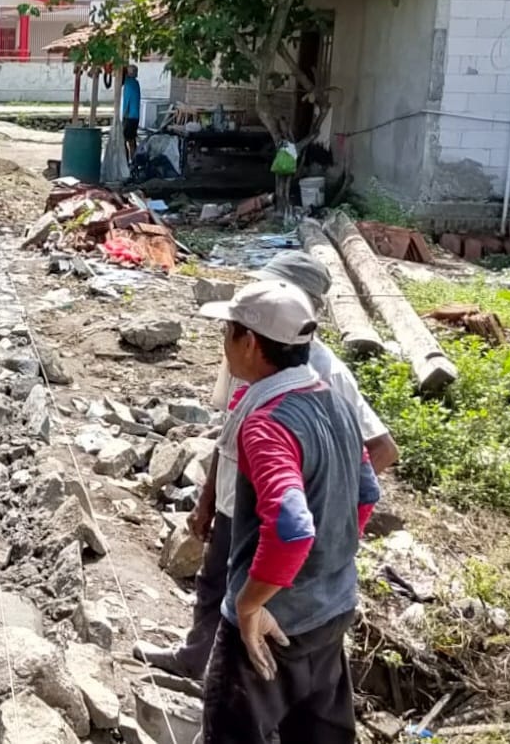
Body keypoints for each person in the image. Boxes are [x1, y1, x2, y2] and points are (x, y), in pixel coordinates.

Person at [135, 250, 398, 680]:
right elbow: (228, 435)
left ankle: (235, 689)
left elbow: (377, 452)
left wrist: (324, 528)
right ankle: (197, 661)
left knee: (251, 618)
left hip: (270, 528)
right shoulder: (256, 363)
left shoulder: (323, 375)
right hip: (237, 512)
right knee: (214, 589)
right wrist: (208, 501)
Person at [195, 280, 380, 743]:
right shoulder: (333, 401)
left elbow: (293, 528)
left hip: (274, 626)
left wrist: (252, 602)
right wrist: (324, 573)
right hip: (331, 611)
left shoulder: (267, 423)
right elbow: (365, 494)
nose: (225, 344)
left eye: (228, 332)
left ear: (250, 343)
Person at [121, 64, 141, 161]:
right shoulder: (136, 83)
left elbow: (127, 102)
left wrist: (123, 116)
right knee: (132, 140)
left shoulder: (128, 84)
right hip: (135, 117)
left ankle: (127, 161)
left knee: (125, 140)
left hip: (129, 117)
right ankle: (134, 161)